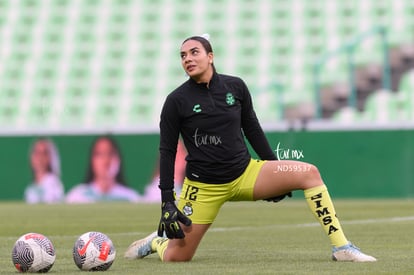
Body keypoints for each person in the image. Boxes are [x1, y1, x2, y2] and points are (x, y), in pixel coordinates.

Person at [124, 35, 376, 262]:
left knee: (310, 173)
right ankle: (156, 242)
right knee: (177, 258)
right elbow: (167, 150)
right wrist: (167, 201)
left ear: (210, 57)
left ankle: (341, 247)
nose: (187, 58)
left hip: (246, 173)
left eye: (194, 52)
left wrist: (273, 166)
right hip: (203, 188)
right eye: (183, 55)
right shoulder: (176, 101)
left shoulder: (236, 87)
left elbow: (252, 130)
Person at [66, 136, 141, 203]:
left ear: (119, 160)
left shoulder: (131, 198)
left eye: (110, 153)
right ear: (92, 161)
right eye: (99, 154)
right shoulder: (77, 196)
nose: (106, 160)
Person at [25, 138, 64, 204]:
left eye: (44, 153)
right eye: (37, 153)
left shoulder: (53, 184)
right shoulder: (30, 189)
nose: (40, 158)